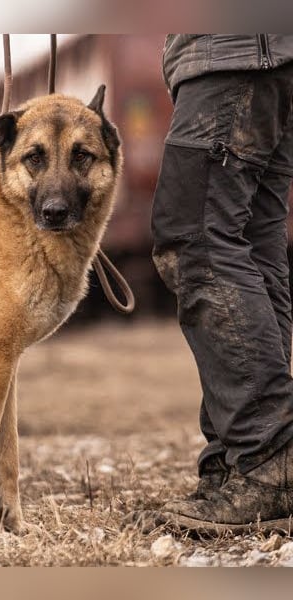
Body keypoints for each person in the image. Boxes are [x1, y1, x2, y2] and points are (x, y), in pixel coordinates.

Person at [149, 34, 293, 534]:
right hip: (268, 53)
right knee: (252, 244)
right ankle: (239, 463)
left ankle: (265, 458)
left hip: (233, 49)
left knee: (194, 241)